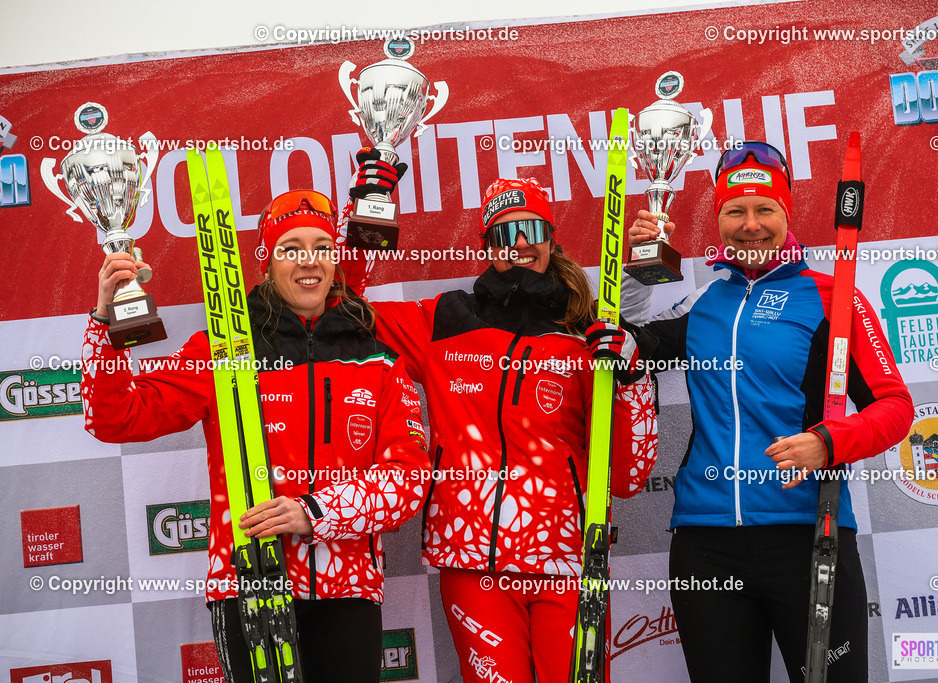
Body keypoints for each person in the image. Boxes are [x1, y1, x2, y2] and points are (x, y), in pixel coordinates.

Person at [81, 190, 430, 682]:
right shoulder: (224, 351)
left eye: (321, 246)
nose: (308, 261)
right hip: (247, 581)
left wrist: (315, 512)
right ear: (267, 262)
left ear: (335, 260)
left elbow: (409, 479)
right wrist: (104, 324)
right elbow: (115, 418)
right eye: (290, 247)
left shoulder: (377, 359)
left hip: (346, 588)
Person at [346, 161, 659, 683]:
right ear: (486, 245)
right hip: (473, 563)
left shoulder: (588, 327)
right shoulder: (445, 319)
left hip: (568, 561)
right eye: (502, 234)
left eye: (530, 230)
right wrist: (365, 216)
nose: (517, 244)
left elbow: (628, 477)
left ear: (550, 239)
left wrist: (629, 377)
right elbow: (343, 306)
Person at [622, 141, 913, 682]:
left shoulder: (833, 298)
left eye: (764, 209)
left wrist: (828, 441)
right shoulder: (705, 301)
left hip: (806, 534)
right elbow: (623, 348)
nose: (750, 225)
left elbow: (895, 407)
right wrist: (637, 272)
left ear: (786, 213)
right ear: (719, 218)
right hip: (705, 545)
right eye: (735, 211)